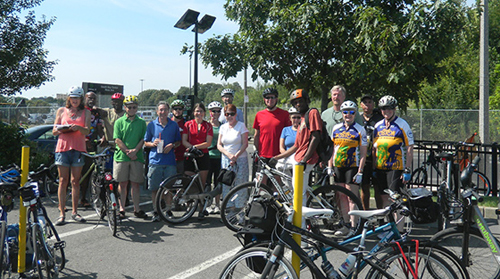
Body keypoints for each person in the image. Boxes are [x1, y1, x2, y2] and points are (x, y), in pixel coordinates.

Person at [373, 95, 414, 231]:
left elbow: (409, 147)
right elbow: (375, 147)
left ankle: (399, 230)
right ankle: (387, 227)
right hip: (380, 166)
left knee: (395, 199)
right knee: (384, 198)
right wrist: (374, 166)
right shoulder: (378, 126)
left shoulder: (402, 124)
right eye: (384, 109)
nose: (387, 111)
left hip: (395, 167)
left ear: (394, 109)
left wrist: (407, 169)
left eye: (390, 108)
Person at [52, 86, 91, 225]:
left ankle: (75, 212)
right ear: (69, 98)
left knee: (75, 181)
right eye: (73, 97)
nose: (75, 100)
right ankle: (62, 213)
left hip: (79, 149)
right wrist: (64, 128)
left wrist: (78, 128)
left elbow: (87, 131)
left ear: (81, 99)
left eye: (78, 98)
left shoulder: (86, 112)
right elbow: (54, 131)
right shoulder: (61, 111)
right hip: (63, 148)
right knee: (63, 180)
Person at [273, 89, 321, 202]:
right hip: (297, 157)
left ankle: (301, 219)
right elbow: (296, 146)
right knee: (279, 166)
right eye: (295, 103)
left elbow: (316, 137)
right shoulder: (302, 118)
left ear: (307, 100)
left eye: (300, 101)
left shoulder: (312, 113)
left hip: (306, 159)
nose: (298, 104)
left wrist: (305, 160)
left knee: (300, 193)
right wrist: (276, 158)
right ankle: (291, 190)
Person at [329, 100, 368, 236]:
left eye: (351, 112)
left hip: (352, 166)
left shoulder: (360, 129)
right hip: (338, 166)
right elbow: (332, 149)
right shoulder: (336, 128)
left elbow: (363, 153)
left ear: (355, 113)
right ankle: (345, 224)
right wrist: (330, 167)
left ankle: (354, 226)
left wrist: (360, 171)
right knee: (341, 196)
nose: (348, 115)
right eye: (345, 112)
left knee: (352, 197)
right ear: (342, 114)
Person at [144, 101, 181, 222]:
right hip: (155, 161)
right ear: (157, 111)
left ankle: (168, 210)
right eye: (161, 110)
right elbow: (145, 142)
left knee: (169, 188)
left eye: (165, 110)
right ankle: (155, 211)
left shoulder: (173, 125)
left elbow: (178, 142)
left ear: (168, 111)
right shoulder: (151, 125)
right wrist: (152, 143)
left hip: (169, 161)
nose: (163, 112)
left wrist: (172, 145)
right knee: (154, 188)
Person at [113, 95, 148, 219]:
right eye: (129, 107)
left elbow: (143, 139)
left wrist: (136, 150)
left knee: (135, 184)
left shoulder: (142, 122)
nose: (132, 109)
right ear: (125, 107)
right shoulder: (119, 122)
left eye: (134, 107)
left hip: (136, 157)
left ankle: (136, 208)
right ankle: (122, 208)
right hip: (122, 157)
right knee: (122, 183)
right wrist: (127, 151)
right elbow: (117, 139)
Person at [182, 103, 213, 220]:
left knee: (201, 183)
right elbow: (184, 140)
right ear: (193, 113)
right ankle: (189, 207)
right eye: (196, 111)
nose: (198, 113)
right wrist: (192, 148)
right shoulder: (188, 124)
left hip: (203, 155)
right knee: (188, 182)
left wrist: (196, 147)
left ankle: (201, 208)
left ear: (204, 113)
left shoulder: (208, 126)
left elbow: (208, 143)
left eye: (200, 111)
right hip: (190, 155)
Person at [217, 104, 249, 217]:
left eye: (231, 114)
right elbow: (219, 145)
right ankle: (229, 212)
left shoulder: (241, 126)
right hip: (226, 160)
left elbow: (245, 144)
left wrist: (235, 156)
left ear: (236, 114)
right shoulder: (223, 127)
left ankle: (240, 213)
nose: (229, 116)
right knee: (227, 186)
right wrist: (229, 155)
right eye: (227, 114)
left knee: (240, 186)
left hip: (240, 160)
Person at [80, 91, 106, 208]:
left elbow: (99, 128)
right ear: (85, 98)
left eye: (94, 98)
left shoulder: (96, 113)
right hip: (79, 145)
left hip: (93, 145)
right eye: (90, 98)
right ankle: (82, 198)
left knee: (90, 172)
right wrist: (84, 139)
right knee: (80, 173)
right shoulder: (80, 110)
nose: (92, 100)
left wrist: (103, 137)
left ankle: (89, 197)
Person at [359, 94, 384, 210]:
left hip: (377, 157)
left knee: (378, 188)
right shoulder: (359, 119)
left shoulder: (379, 118)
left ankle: (379, 214)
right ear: (361, 105)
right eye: (365, 102)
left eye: (369, 102)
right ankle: (366, 213)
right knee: (364, 187)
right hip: (364, 157)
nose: (367, 105)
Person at [253, 88, 291, 162]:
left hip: (279, 155)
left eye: (272, 97)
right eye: (267, 97)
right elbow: (256, 135)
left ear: (276, 99)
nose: (270, 100)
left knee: (277, 174)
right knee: (263, 174)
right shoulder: (259, 115)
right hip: (263, 154)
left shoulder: (284, 114)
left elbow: (289, 134)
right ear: (264, 99)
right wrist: (256, 150)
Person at [206, 101, 223, 214]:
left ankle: (217, 204)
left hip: (219, 157)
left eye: (218, 111)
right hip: (208, 156)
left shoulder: (223, 126)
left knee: (218, 181)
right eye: (213, 111)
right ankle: (208, 204)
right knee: (207, 181)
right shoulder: (206, 125)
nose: (215, 113)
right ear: (210, 112)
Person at [277, 107, 301, 172]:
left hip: (299, 158)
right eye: (294, 117)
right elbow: (281, 147)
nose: (296, 120)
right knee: (278, 167)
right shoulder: (285, 130)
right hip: (287, 157)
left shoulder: (304, 130)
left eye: (298, 118)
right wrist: (286, 155)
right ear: (290, 118)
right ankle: (287, 182)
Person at [170, 99, 187, 174]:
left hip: (182, 157)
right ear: (172, 110)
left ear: (183, 110)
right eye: (175, 109)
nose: (177, 111)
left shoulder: (186, 123)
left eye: (180, 109)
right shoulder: (168, 123)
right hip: (170, 156)